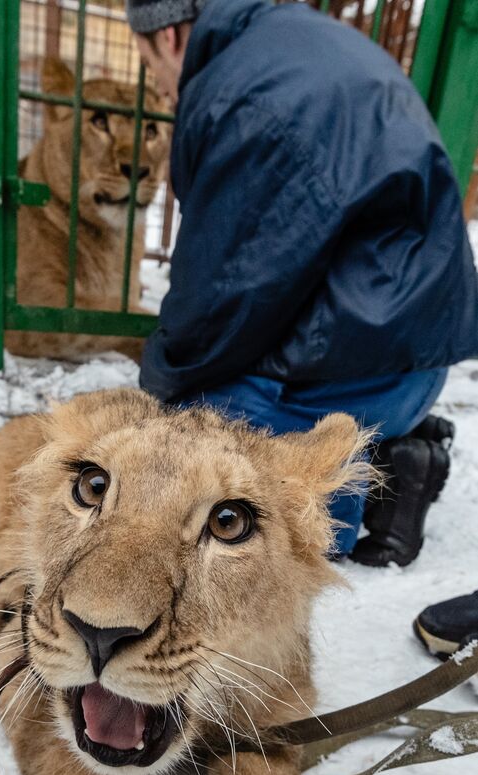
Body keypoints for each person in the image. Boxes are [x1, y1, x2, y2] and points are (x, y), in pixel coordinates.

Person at [124, 0, 478, 562]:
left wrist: (159, 390)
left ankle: (325, 530)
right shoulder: (291, 46)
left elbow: (226, 294)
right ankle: (398, 454)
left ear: (167, 36)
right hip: (412, 357)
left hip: (364, 368)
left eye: (150, 67)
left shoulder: (241, 95)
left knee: (197, 423)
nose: (164, 90)